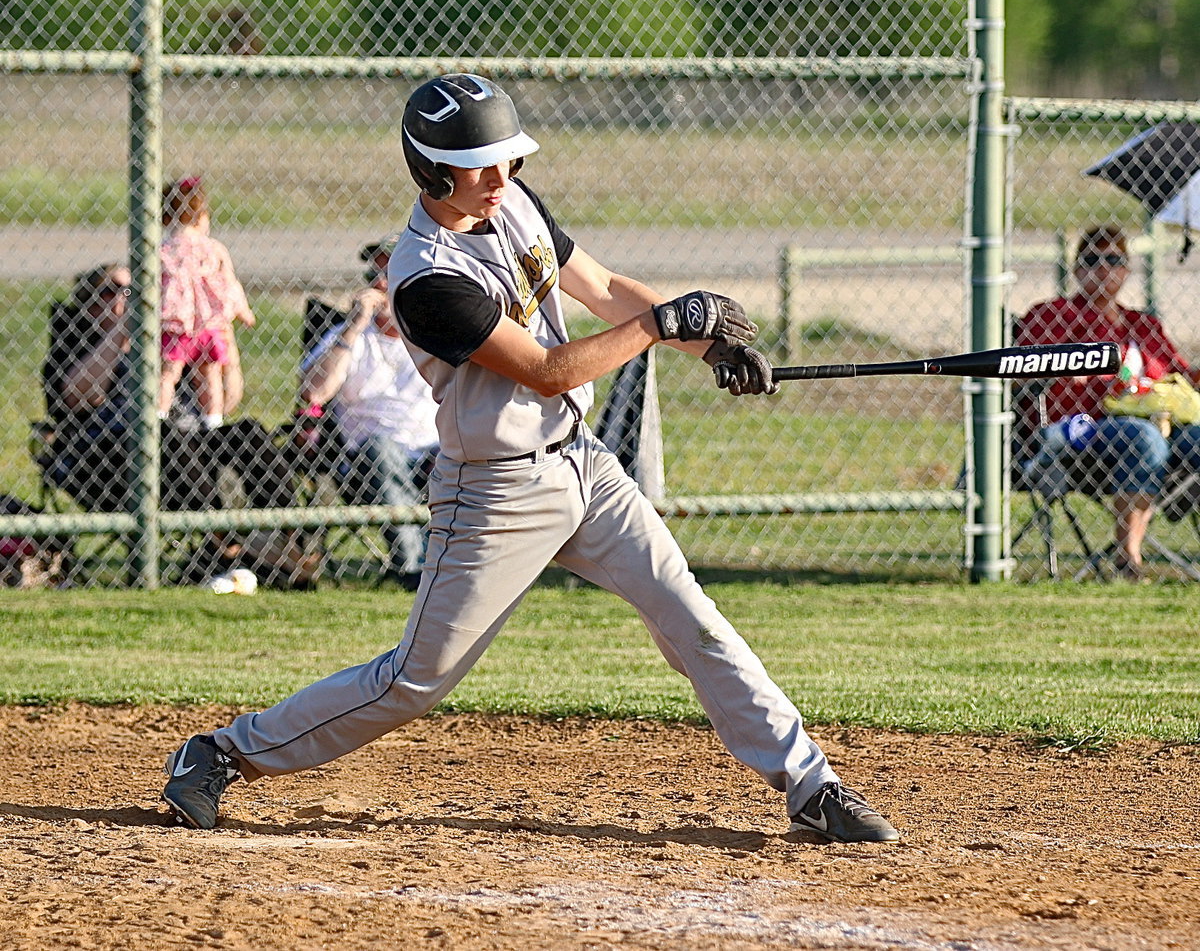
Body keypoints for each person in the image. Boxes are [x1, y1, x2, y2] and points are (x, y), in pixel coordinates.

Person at [161, 73, 899, 844]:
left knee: (693, 620)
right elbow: (549, 368)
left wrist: (710, 345)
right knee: (415, 679)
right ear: (430, 169)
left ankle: (811, 782)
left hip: (583, 464)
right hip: (495, 492)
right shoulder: (425, 277)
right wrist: (658, 325)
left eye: (505, 159)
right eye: (479, 164)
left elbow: (608, 288)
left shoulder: (514, 200)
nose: (498, 178)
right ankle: (219, 753)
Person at [41, 264, 312, 585]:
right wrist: (123, 331)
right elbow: (76, 396)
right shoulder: (77, 341)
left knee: (248, 432)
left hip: (191, 448)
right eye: (112, 291)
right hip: (111, 457)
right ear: (88, 303)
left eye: (136, 290)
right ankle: (227, 536)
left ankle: (292, 535)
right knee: (163, 429)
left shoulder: (169, 337)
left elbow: (225, 402)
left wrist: (224, 340)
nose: (129, 298)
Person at [1015, 224, 1200, 580]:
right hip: (1077, 428)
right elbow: (1025, 372)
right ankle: (1128, 559)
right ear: (1076, 269)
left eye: (1114, 259)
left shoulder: (1142, 325)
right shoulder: (1052, 315)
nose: (1103, 268)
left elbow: (1180, 375)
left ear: (1128, 269)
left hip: (1156, 424)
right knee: (1142, 439)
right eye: (1091, 260)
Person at [297, 235, 439, 588]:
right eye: (375, 275)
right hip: (366, 465)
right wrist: (355, 325)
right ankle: (414, 571)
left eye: (391, 274)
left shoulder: (437, 333)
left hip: (436, 456)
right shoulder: (348, 337)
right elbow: (312, 393)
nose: (379, 284)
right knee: (381, 449)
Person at [159, 176, 256, 429]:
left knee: (168, 373)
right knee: (209, 375)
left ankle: (159, 414)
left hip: (176, 324)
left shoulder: (164, 249)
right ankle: (213, 419)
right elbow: (230, 283)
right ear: (201, 215)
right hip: (208, 324)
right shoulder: (213, 249)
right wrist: (243, 311)